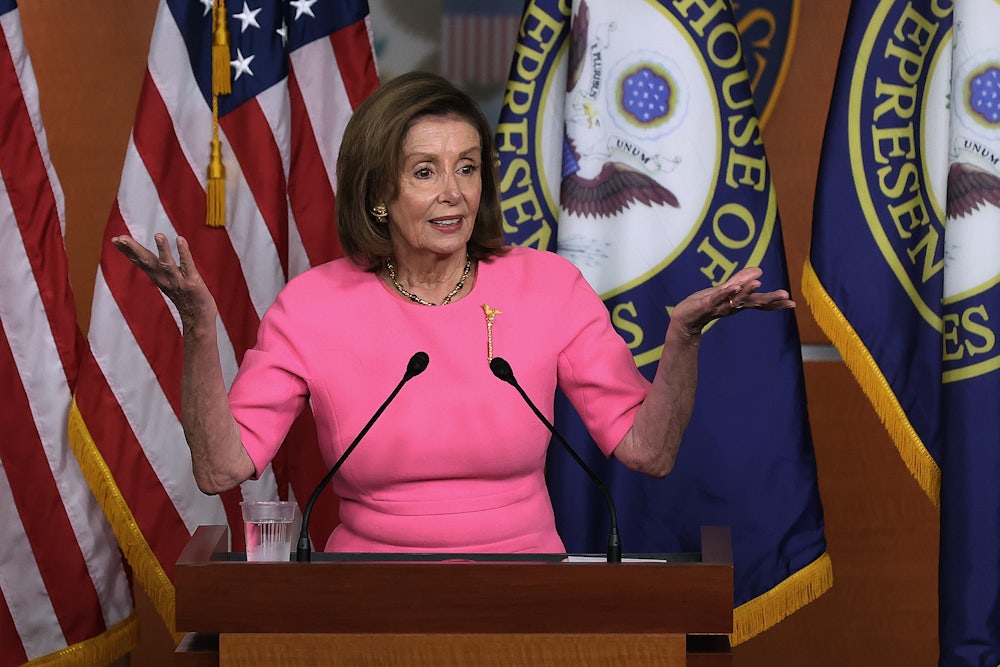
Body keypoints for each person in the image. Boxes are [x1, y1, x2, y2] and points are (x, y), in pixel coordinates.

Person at [111, 71, 794, 554]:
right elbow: (222, 469)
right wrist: (199, 330)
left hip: (526, 599)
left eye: (467, 168)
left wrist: (681, 340)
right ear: (380, 192)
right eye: (426, 171)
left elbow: (649, 450)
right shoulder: (313, 307)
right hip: (367, 606)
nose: (454, 194)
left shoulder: (547, 288)